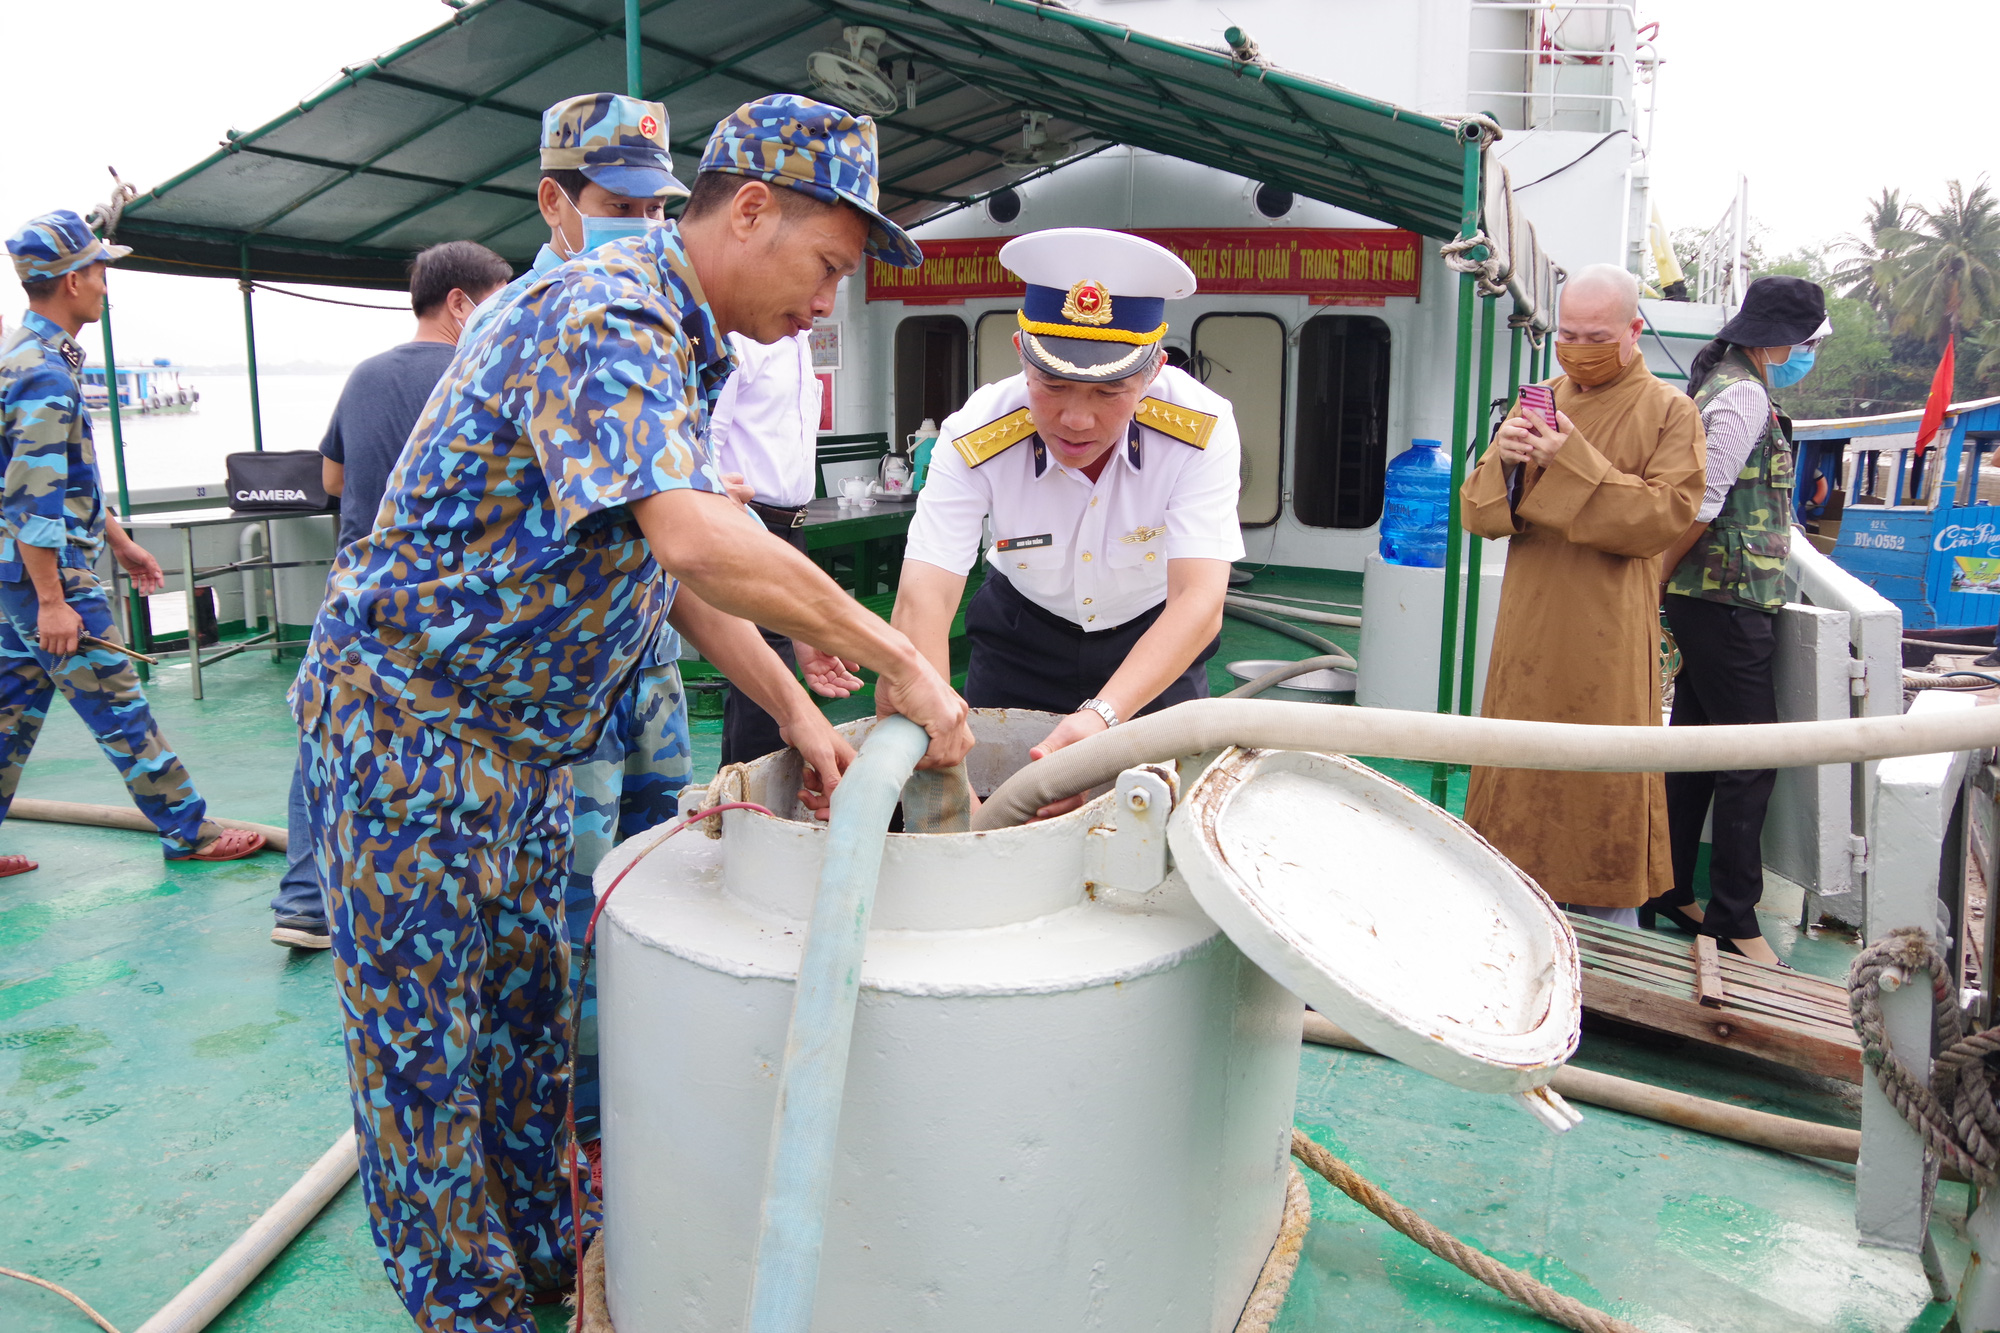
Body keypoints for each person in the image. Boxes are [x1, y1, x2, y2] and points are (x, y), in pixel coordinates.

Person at [291, 95, 971, 1331]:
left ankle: (549, 1259)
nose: (828, 302)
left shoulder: (674, 334)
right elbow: (697, 534)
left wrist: (796, 715)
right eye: (825, 265)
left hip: (524, 756)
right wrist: (895, 660)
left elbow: (662, 566)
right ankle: (472, 1310)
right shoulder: (602, 310)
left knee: (525, 1033)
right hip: (410, 738)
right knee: (423, 1061)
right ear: (750, 209)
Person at [891, 228, 1241, 816]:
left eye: (1109, 392)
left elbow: (1198, 603)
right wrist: (936, 723)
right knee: (991, 815)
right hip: (1021, 640)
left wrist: (1103, 718)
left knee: (1153, 824)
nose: (1076, 419)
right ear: (1020, 352)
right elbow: (924, 595)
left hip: (1151, 642)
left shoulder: (1199, 429)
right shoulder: (975, 434)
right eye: (1051, 385)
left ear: (1153, 370)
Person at [0, 211, 267, 879]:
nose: (104, 284)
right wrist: (54, 600)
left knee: (7, 715)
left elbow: (58, 474)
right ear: (67, 281)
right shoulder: (44, 374)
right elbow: (31, 501)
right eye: (96, 269)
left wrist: (117, 538)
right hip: (44, 576)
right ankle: (187, 827)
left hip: (16, 575)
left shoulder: (22, 357)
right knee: (121, 706)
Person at [269, 239, 512, 949]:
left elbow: (335, 480)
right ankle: (453, 907)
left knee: (325, 741)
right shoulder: (483, 372)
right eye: (500, 299)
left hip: (354, 602)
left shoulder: (365, 374)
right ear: (461, 303)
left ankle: (304, 904)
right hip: (452, 606)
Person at [1460, 263, 1706, 925]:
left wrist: (1573, 460)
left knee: (1601, 788)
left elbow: (1664, 517)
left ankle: (1603, 948)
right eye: (1566, 333)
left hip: (1606, 636)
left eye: (1595, 334)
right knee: (1517, 780)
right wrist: (1505, 461)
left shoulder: (1670, 411)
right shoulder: (1541, 397)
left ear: (1632, 331)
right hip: (1528, 627)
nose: (1576, 346)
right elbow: (1478, 513)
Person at [1650, 275, 1828, 965]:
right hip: (1725, 600)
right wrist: (1656, 581)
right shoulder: (1745, 394)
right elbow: (1703, 501)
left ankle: (1666, 886)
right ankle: (1734, 916)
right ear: (1781, 340)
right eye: (1807, 342)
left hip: (1714, 597)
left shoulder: (1721, 380)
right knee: (1751, 758)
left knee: (1697, 746)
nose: (1807, 354)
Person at [711, 327, 868, 765]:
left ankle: (737, 798)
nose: (823, 298)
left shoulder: (800, 342)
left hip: (790, 525)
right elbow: (708, 441)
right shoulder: (743, 339)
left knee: (768, 673)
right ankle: (759, 810)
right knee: (764, 677)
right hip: (747, 520)